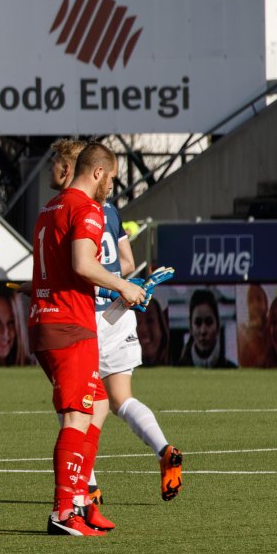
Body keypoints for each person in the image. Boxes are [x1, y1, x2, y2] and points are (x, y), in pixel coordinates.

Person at [30, 142, 148, 537]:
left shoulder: (50, 207)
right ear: (97, 172)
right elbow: (83, 264)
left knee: (97, 403)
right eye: (111, 178)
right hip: (70, 324)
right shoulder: (86, 208)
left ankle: (79, 499)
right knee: (77, 416)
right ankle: (64, 511)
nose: (111, 186)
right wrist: (123, 286)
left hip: (46, 320)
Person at [88, 195, 183, 504]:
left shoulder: (69, 209)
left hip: (88, 317)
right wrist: (122, 286)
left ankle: (87, 486)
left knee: (77, 404)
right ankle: (164, 449)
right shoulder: (111, 210)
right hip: (120, 312)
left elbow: (78, 269)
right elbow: (127, 264)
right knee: (121, 399)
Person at [181, 289, 235, 368]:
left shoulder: (232, 371)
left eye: (209, 322)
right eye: (198, 323)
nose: (203, 331)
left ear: (218, 326)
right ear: (190, 327)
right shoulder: (177, 372)